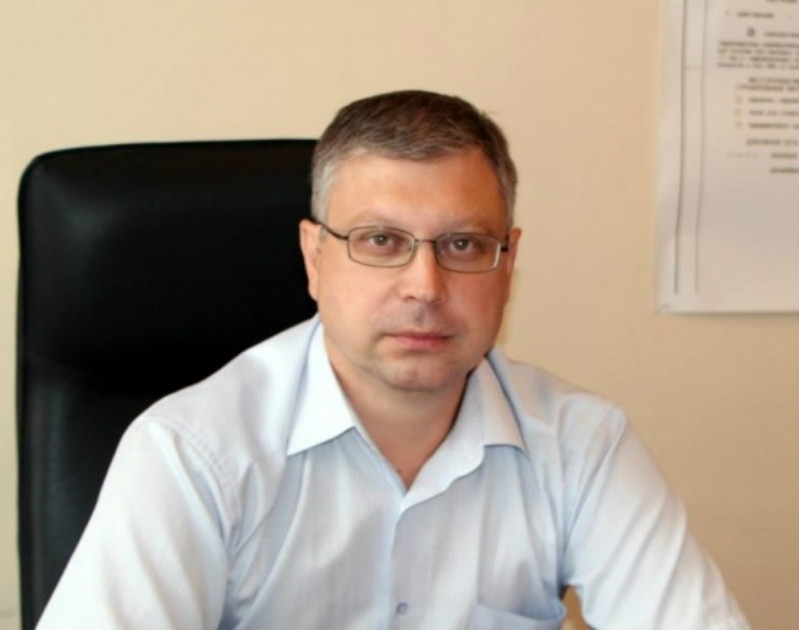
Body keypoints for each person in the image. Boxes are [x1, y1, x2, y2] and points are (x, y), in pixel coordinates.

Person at [36, 90, 750, 630]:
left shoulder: (582, 446)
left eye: (463, 244)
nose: (425, 287)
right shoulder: (194, 453)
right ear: (315, 257)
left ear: (508, 263)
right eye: (381, 241)